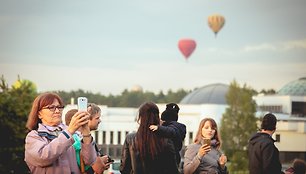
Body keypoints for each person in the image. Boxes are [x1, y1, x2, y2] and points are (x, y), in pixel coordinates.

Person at [24, 92, 96, 174]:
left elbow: (89, 161)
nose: (57, 111)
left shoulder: (73, 133)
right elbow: (43, 158)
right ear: (39, 113)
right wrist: (69, 131)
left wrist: (86, 133)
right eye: (51, 107)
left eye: (59, 107)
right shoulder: (33, 136)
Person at [120, 102, 179, 174]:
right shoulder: (166, 141)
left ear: (140, 118)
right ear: (157, 117)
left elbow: (124, 169)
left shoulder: (130, 139)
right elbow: (173, 170)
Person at [65, 104, 110, 174]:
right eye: (97, 118)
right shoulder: (78, 141)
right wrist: (100, 162)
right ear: (87, 120)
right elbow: (94, 169)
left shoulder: (74, 138)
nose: (100, 121)